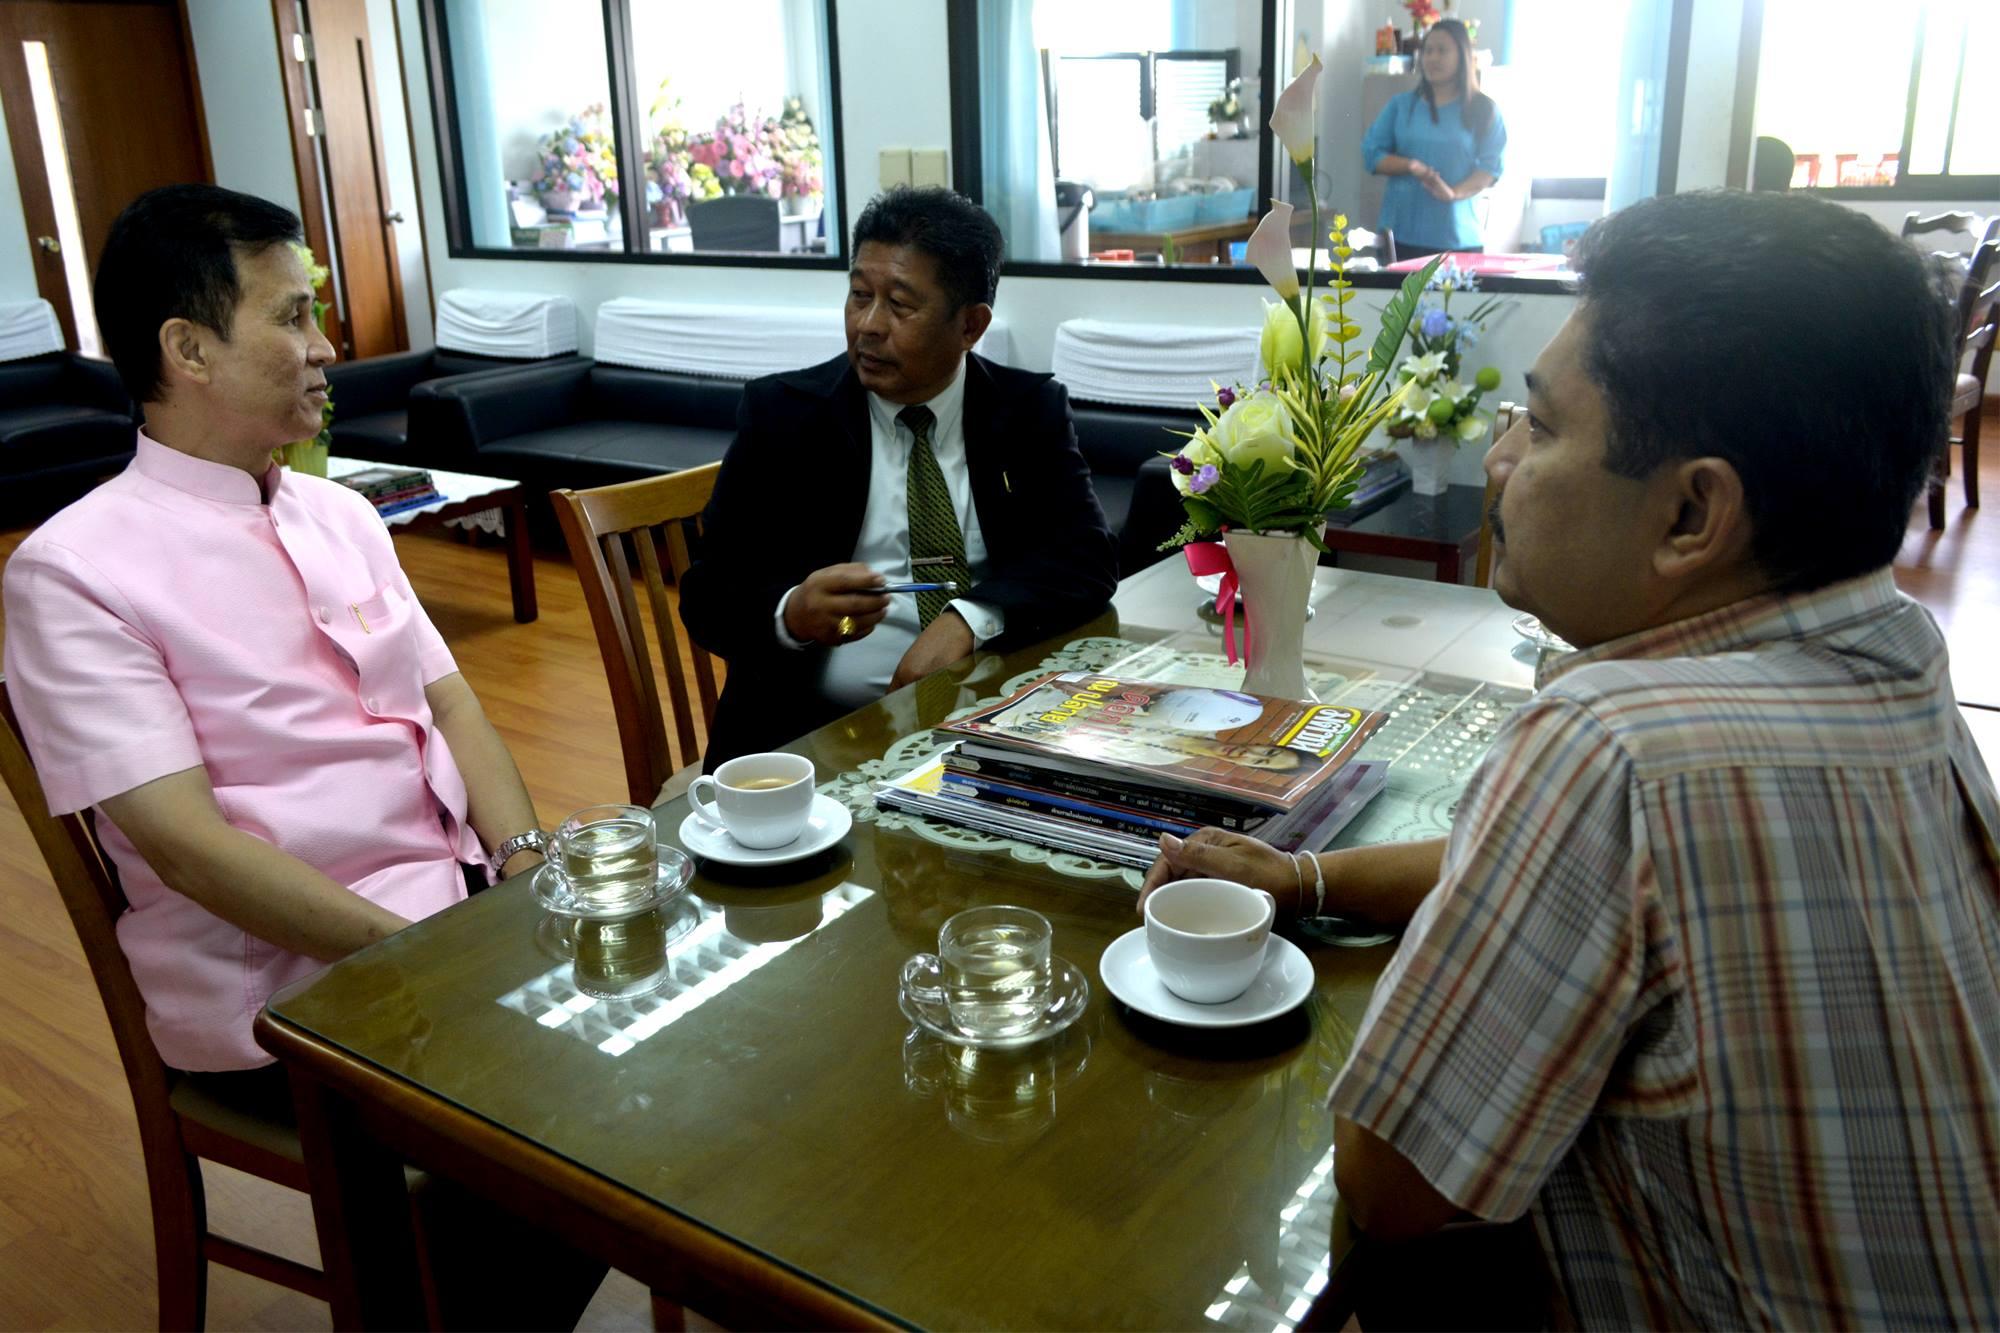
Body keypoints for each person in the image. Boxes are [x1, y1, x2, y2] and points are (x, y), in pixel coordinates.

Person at [1142, 189, 1999, 1327]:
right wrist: (1307, 877)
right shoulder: (1893, 648)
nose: (1499, 460)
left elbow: (1394, 1181)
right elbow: (1598, 879)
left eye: (1539, 428)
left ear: (1691, 514)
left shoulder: (1610, 744)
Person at [2, 184, 550, 1080]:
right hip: (292, 997)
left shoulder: (342, 514)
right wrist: (432, 956)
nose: (325, 347)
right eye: (293, 317)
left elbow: (449, 703)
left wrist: (528, 869)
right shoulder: (74, 573)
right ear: (189, 349)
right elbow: (188, 848)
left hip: (457, 911)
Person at [680, 186, 1118, 766]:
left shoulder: (1026, 411)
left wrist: (970, 619)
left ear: (971, 325)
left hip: (992, 726)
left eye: (900, 305)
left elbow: (1086, 558)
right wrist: (792, 612)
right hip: (813, 740)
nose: (868, 325)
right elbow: (708, 596)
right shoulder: (784, 417)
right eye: (859, 295)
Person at [1361, 18, 1506, 258]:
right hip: (1400, 237)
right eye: (1428, 51)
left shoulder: (1484, 110)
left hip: (1458, 240)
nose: (1432, 58)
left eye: (1442, 51)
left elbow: (1490, 169)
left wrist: (1453, 193)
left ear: (1462, 56)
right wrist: (1411, 166)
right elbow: (1371, 154)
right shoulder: (1401, 105)